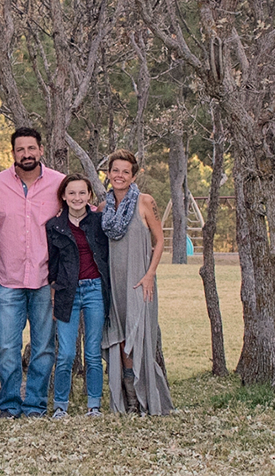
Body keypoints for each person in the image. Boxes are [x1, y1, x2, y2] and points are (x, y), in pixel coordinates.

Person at [0, 127, 65, 417]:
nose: (27, 154)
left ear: (41, 150)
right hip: (9, 279)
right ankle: (9, 405)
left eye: (31, 148)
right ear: (13, 153)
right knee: (6, 347)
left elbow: (81, 213)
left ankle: (34, 405)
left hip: (46, 280)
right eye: (20, 149)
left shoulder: (59, 184)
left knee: (43, 348)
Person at [101, 148, 172, 415]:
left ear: (134, 175)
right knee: (119, 340)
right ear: (108, 174)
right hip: (113, 282)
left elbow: (160, 240)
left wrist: (150, 274)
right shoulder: (103, 207)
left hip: (140, 281)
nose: (119, 175)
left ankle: (147, 399)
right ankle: (128, 401)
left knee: (137, 338)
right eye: (115, 170)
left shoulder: (144, 202)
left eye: (125, 171)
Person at [46, 174, 110, 419]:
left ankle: (94, 405)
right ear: (63, 196)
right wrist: (53, 291)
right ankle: (60, 405)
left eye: (82, 193)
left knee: (92, 351)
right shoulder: (55, 226)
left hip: (95, 289)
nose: (77, 198)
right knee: (66, 354)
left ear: (89, 196)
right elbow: (52, 263)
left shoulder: (99, 222)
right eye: (71, 193)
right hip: (66, 291)